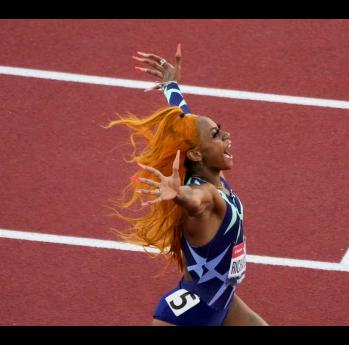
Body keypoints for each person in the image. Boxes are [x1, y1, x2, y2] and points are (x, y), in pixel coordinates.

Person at [108, 44, 268, 326]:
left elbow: (184, 119)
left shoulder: (213, 178)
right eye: (217, 135)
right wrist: (179, 195)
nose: (226, 136)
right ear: (197, 154)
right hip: (193, 313)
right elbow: (196, 203)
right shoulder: (204, 193)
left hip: (221, 300)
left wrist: (171, 85)